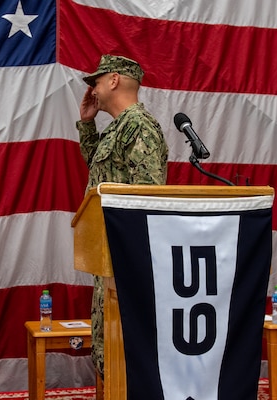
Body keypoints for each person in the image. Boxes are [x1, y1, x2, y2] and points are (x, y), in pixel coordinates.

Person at [76, 55, 169, 380]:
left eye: (97, 82)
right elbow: (101, 175)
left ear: (113, 80)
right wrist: (87, 124)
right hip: (111, 259)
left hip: (127, 263)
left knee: (124, 357)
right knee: (109, 352)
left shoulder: (138, 126)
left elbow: (148, 197)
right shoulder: (119, 128)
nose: (94, 90)